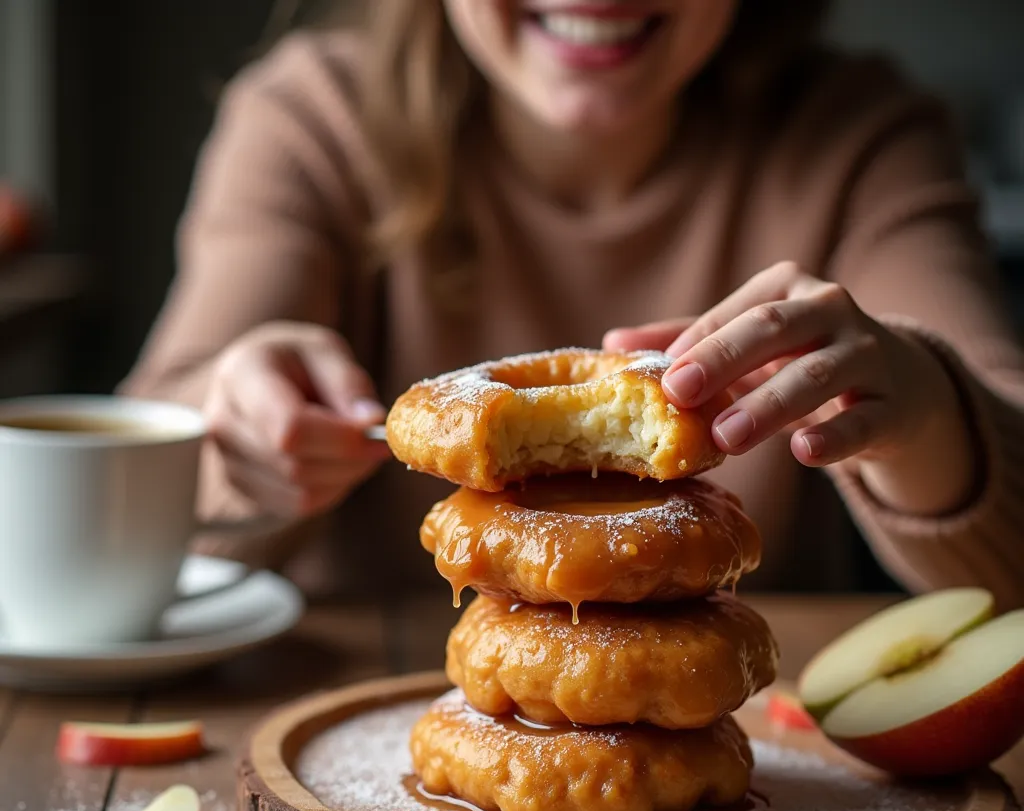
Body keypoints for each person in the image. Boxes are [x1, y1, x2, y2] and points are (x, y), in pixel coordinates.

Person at [123, 0, 1024, 606]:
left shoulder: (861, 137)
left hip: (743, 755)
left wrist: (927, 413)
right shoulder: (313, 117)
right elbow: (130, 473)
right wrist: (226, 432)